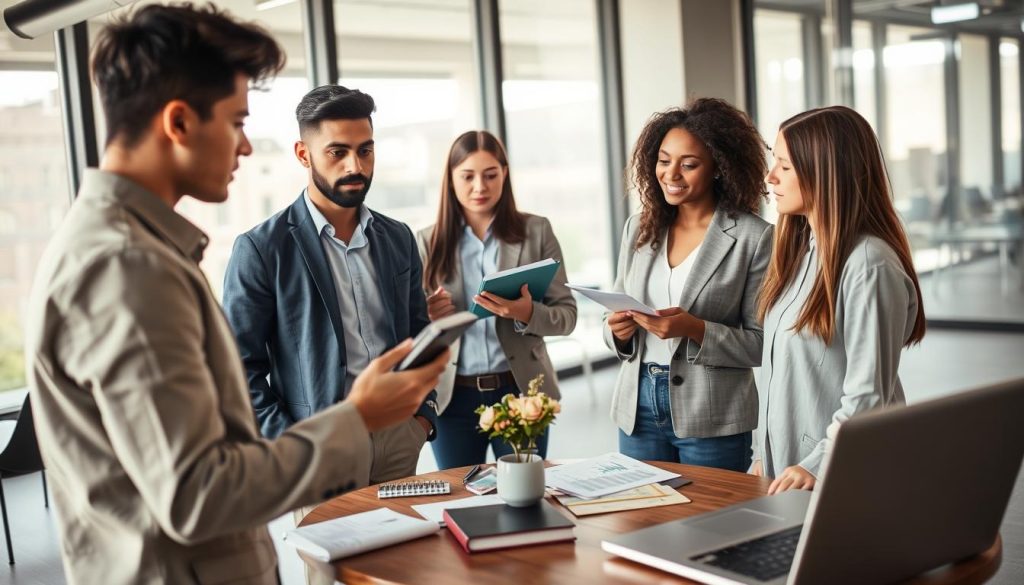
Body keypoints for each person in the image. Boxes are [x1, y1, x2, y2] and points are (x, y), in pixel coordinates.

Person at [24, 5, 447, 584]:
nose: (246, 147)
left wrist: (409, 417)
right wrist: (356, 418)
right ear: (178, 122)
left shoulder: (134, 248)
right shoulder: (127, 266)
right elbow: (199, 495)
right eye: (236, 121)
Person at [222, 85, 437, 484]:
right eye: (337, 152)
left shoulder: (398, 237)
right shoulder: (261, 249)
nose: (355, 165)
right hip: (320, 445)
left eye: (365, 150)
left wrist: (423, 416)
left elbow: (418, 332)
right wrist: (291, 446)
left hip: (400, 436)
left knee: (407, 546)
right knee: (336, 549)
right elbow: (237, 369)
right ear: (304, 154)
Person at [755, 105, 925, 494]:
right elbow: (784, 375)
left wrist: (817, 462)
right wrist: (763, 454)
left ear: (824, 172)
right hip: (791, 475)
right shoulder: (801, 252)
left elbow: (868, 395)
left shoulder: (870, 264)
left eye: (784, 166)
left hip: (843, 474)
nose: (770, 177)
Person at [604, 98, 773, 472]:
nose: (671, 174)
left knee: (714, 527)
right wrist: (616, 331)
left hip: (711, 414)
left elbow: (761, 344)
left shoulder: (753, 238)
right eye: (664, 160)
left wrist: (694, 328)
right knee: (643, 524)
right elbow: (613, 313)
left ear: (718, 168)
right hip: (638, 407)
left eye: (689, 164)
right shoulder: (639, 227)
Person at [416, 130, 577, 469]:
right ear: (450, 179)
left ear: (505, 173)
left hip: (521, 393)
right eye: (468, 176)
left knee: (524, 497)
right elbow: (406, 334)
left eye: (490, 175)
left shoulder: (537, 231)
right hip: (452, 398)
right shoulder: (426, 241)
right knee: (460, 498)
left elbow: (567, 316)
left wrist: (527, 312)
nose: (480, 187)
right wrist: (425, 318)